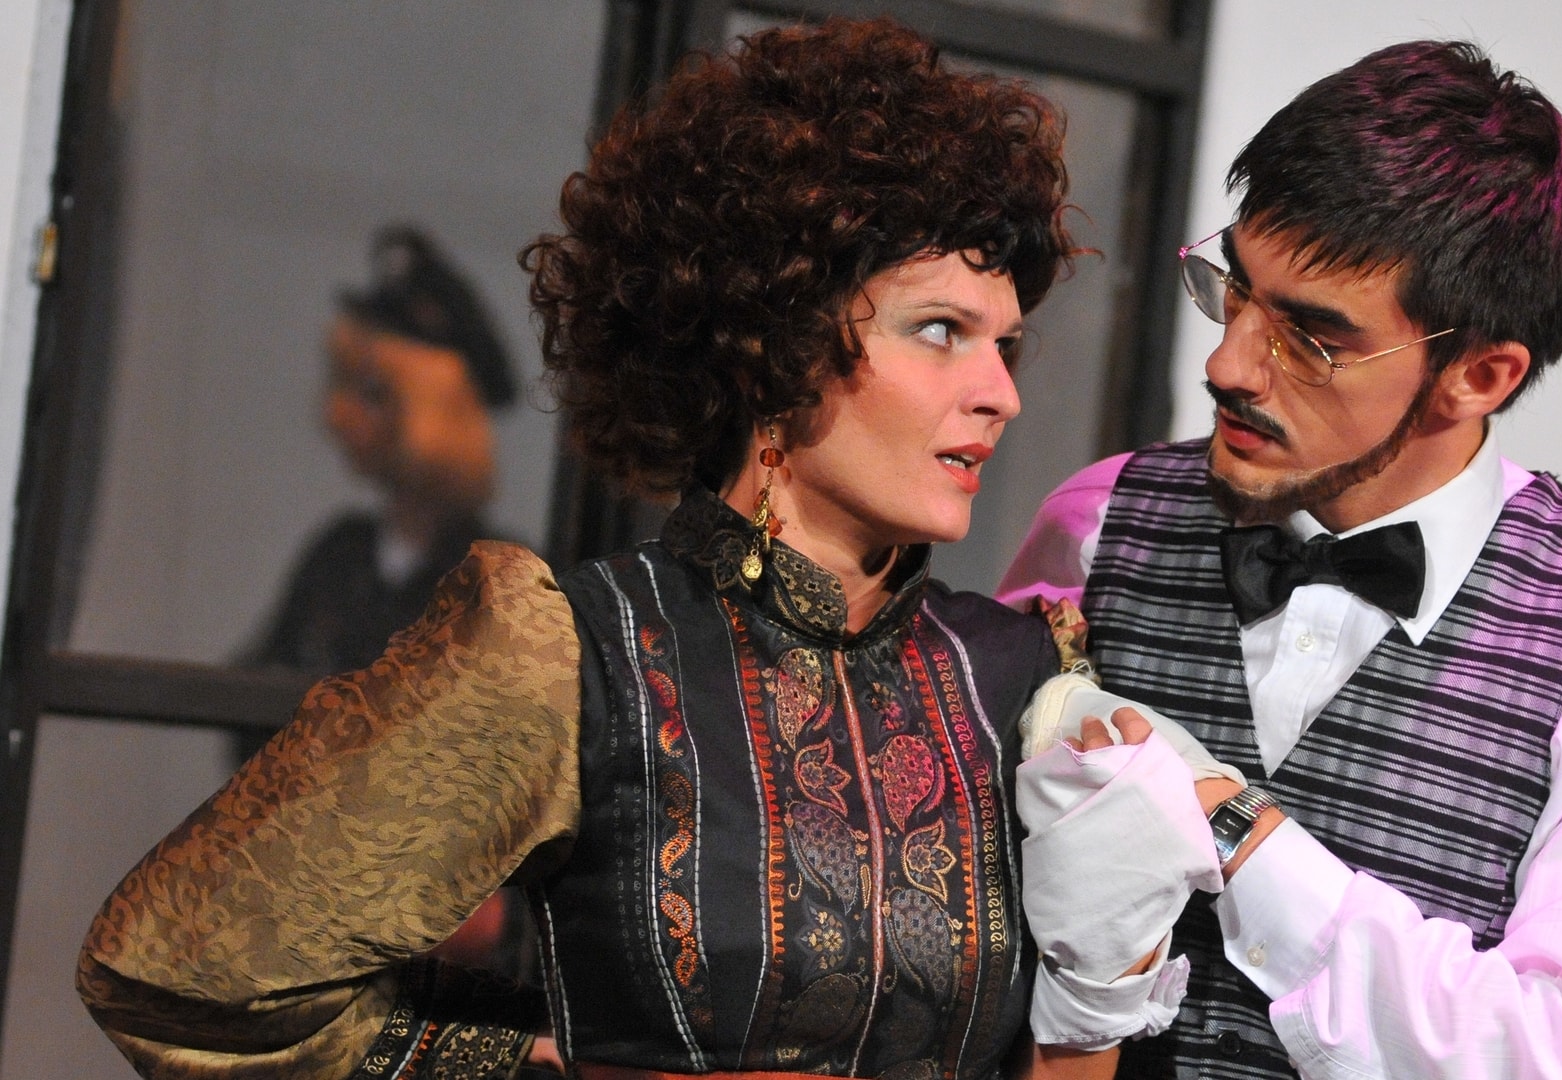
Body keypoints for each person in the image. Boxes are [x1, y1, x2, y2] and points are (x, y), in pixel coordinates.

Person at [77, 19, 1098, 1079]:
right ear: (773, 343)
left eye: (1005, 344)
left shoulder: (1020, 675)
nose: (1001, 394)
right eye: (940, 331)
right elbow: (176, 976)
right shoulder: (572, 655)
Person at [999, 40, 1562, 1080]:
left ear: (1478, 376)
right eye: (1236, 291)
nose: (1228, 363)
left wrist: (1235, 831)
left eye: (1313, 339)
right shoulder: (1096, 522)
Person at [245, 224, 519, 677]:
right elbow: (254, 682)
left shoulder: (495, 579)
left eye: (377, 393)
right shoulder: (340, 553)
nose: (345, 414)